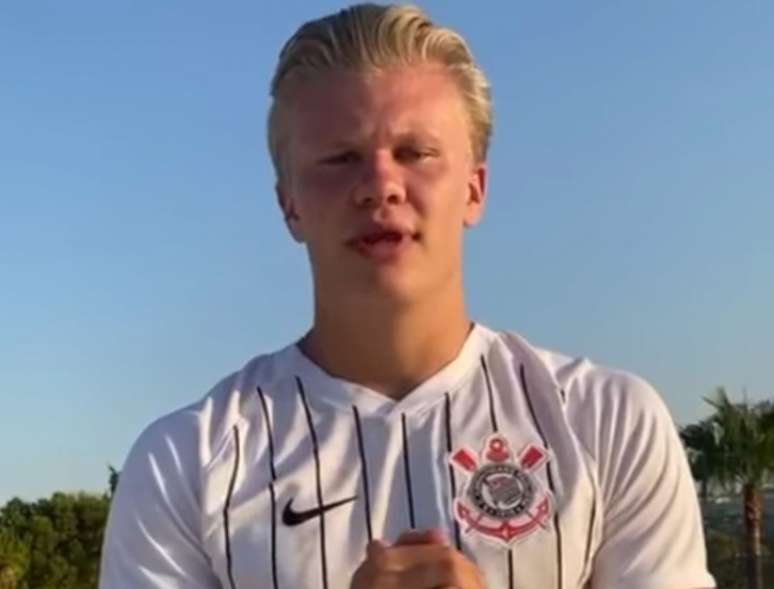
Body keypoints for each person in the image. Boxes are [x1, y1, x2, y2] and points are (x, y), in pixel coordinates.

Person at [98, 4, 716, 588]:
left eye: (415, 153)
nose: (379, 185)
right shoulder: (184, 462)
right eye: (340, 159)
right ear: (289, 204)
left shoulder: (607, 422)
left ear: (474, 190)